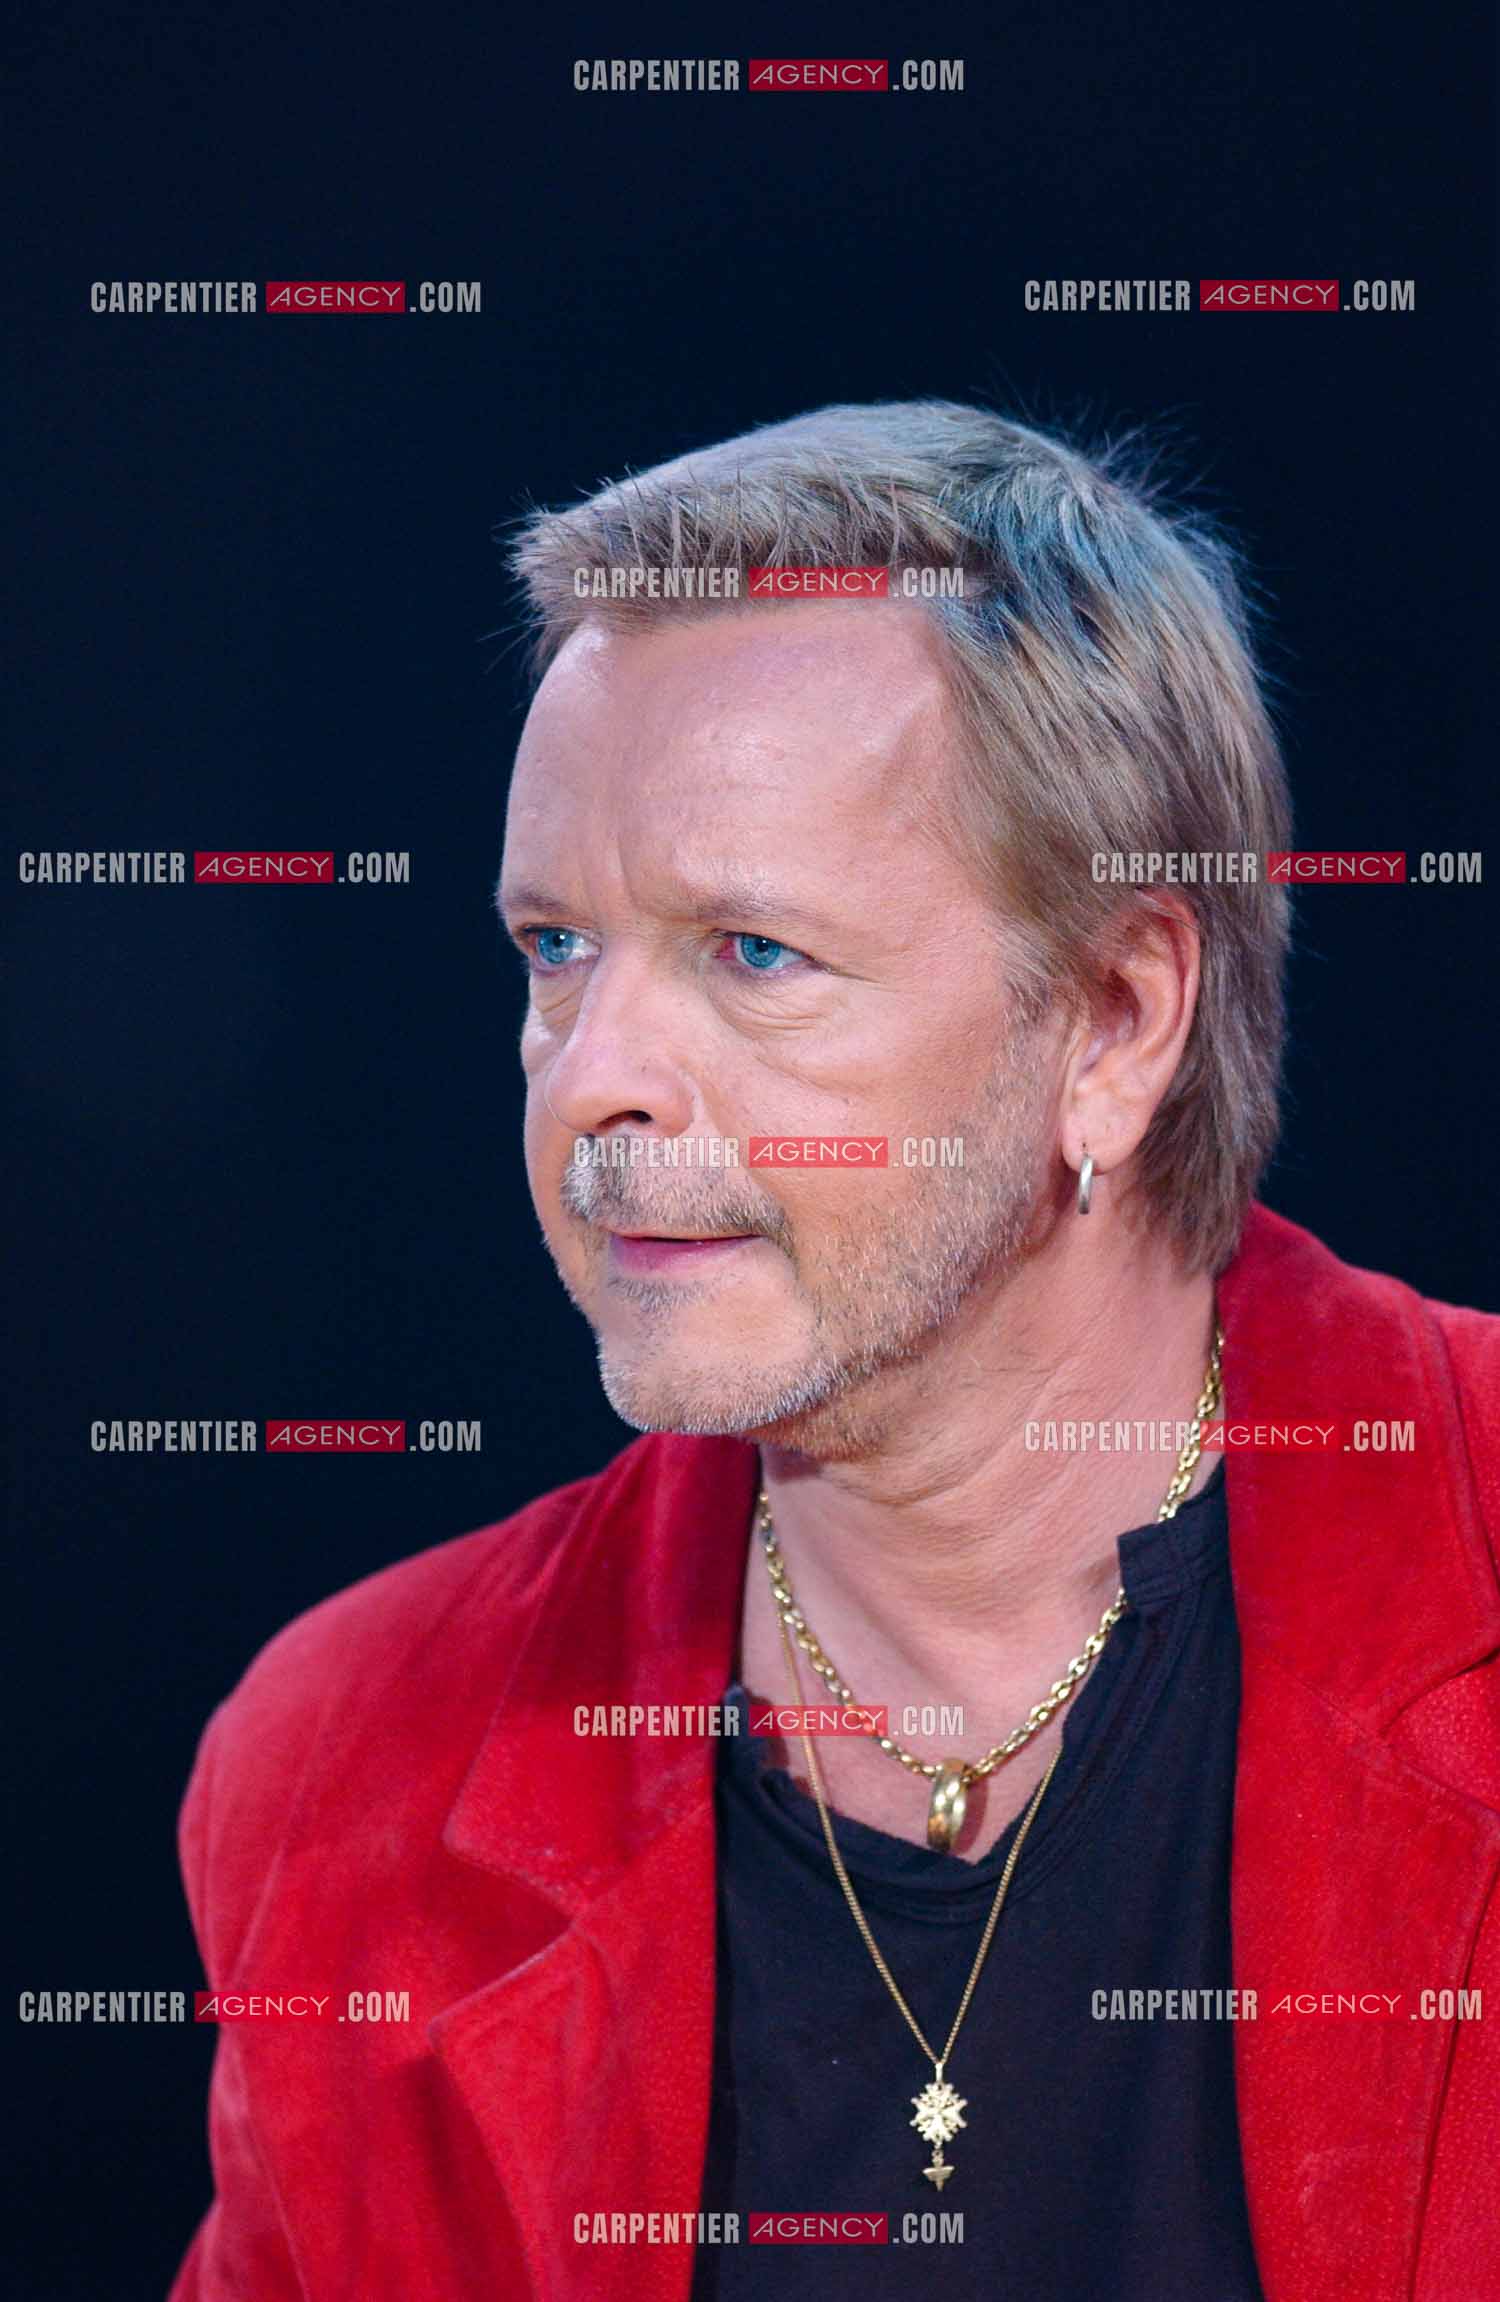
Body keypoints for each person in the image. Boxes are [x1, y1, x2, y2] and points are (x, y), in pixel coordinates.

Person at [169, 404, 1500, 2302]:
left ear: (1117, 1021)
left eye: (753, 951)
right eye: (555, 946)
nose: (596, 1079)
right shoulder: (345, 1769)